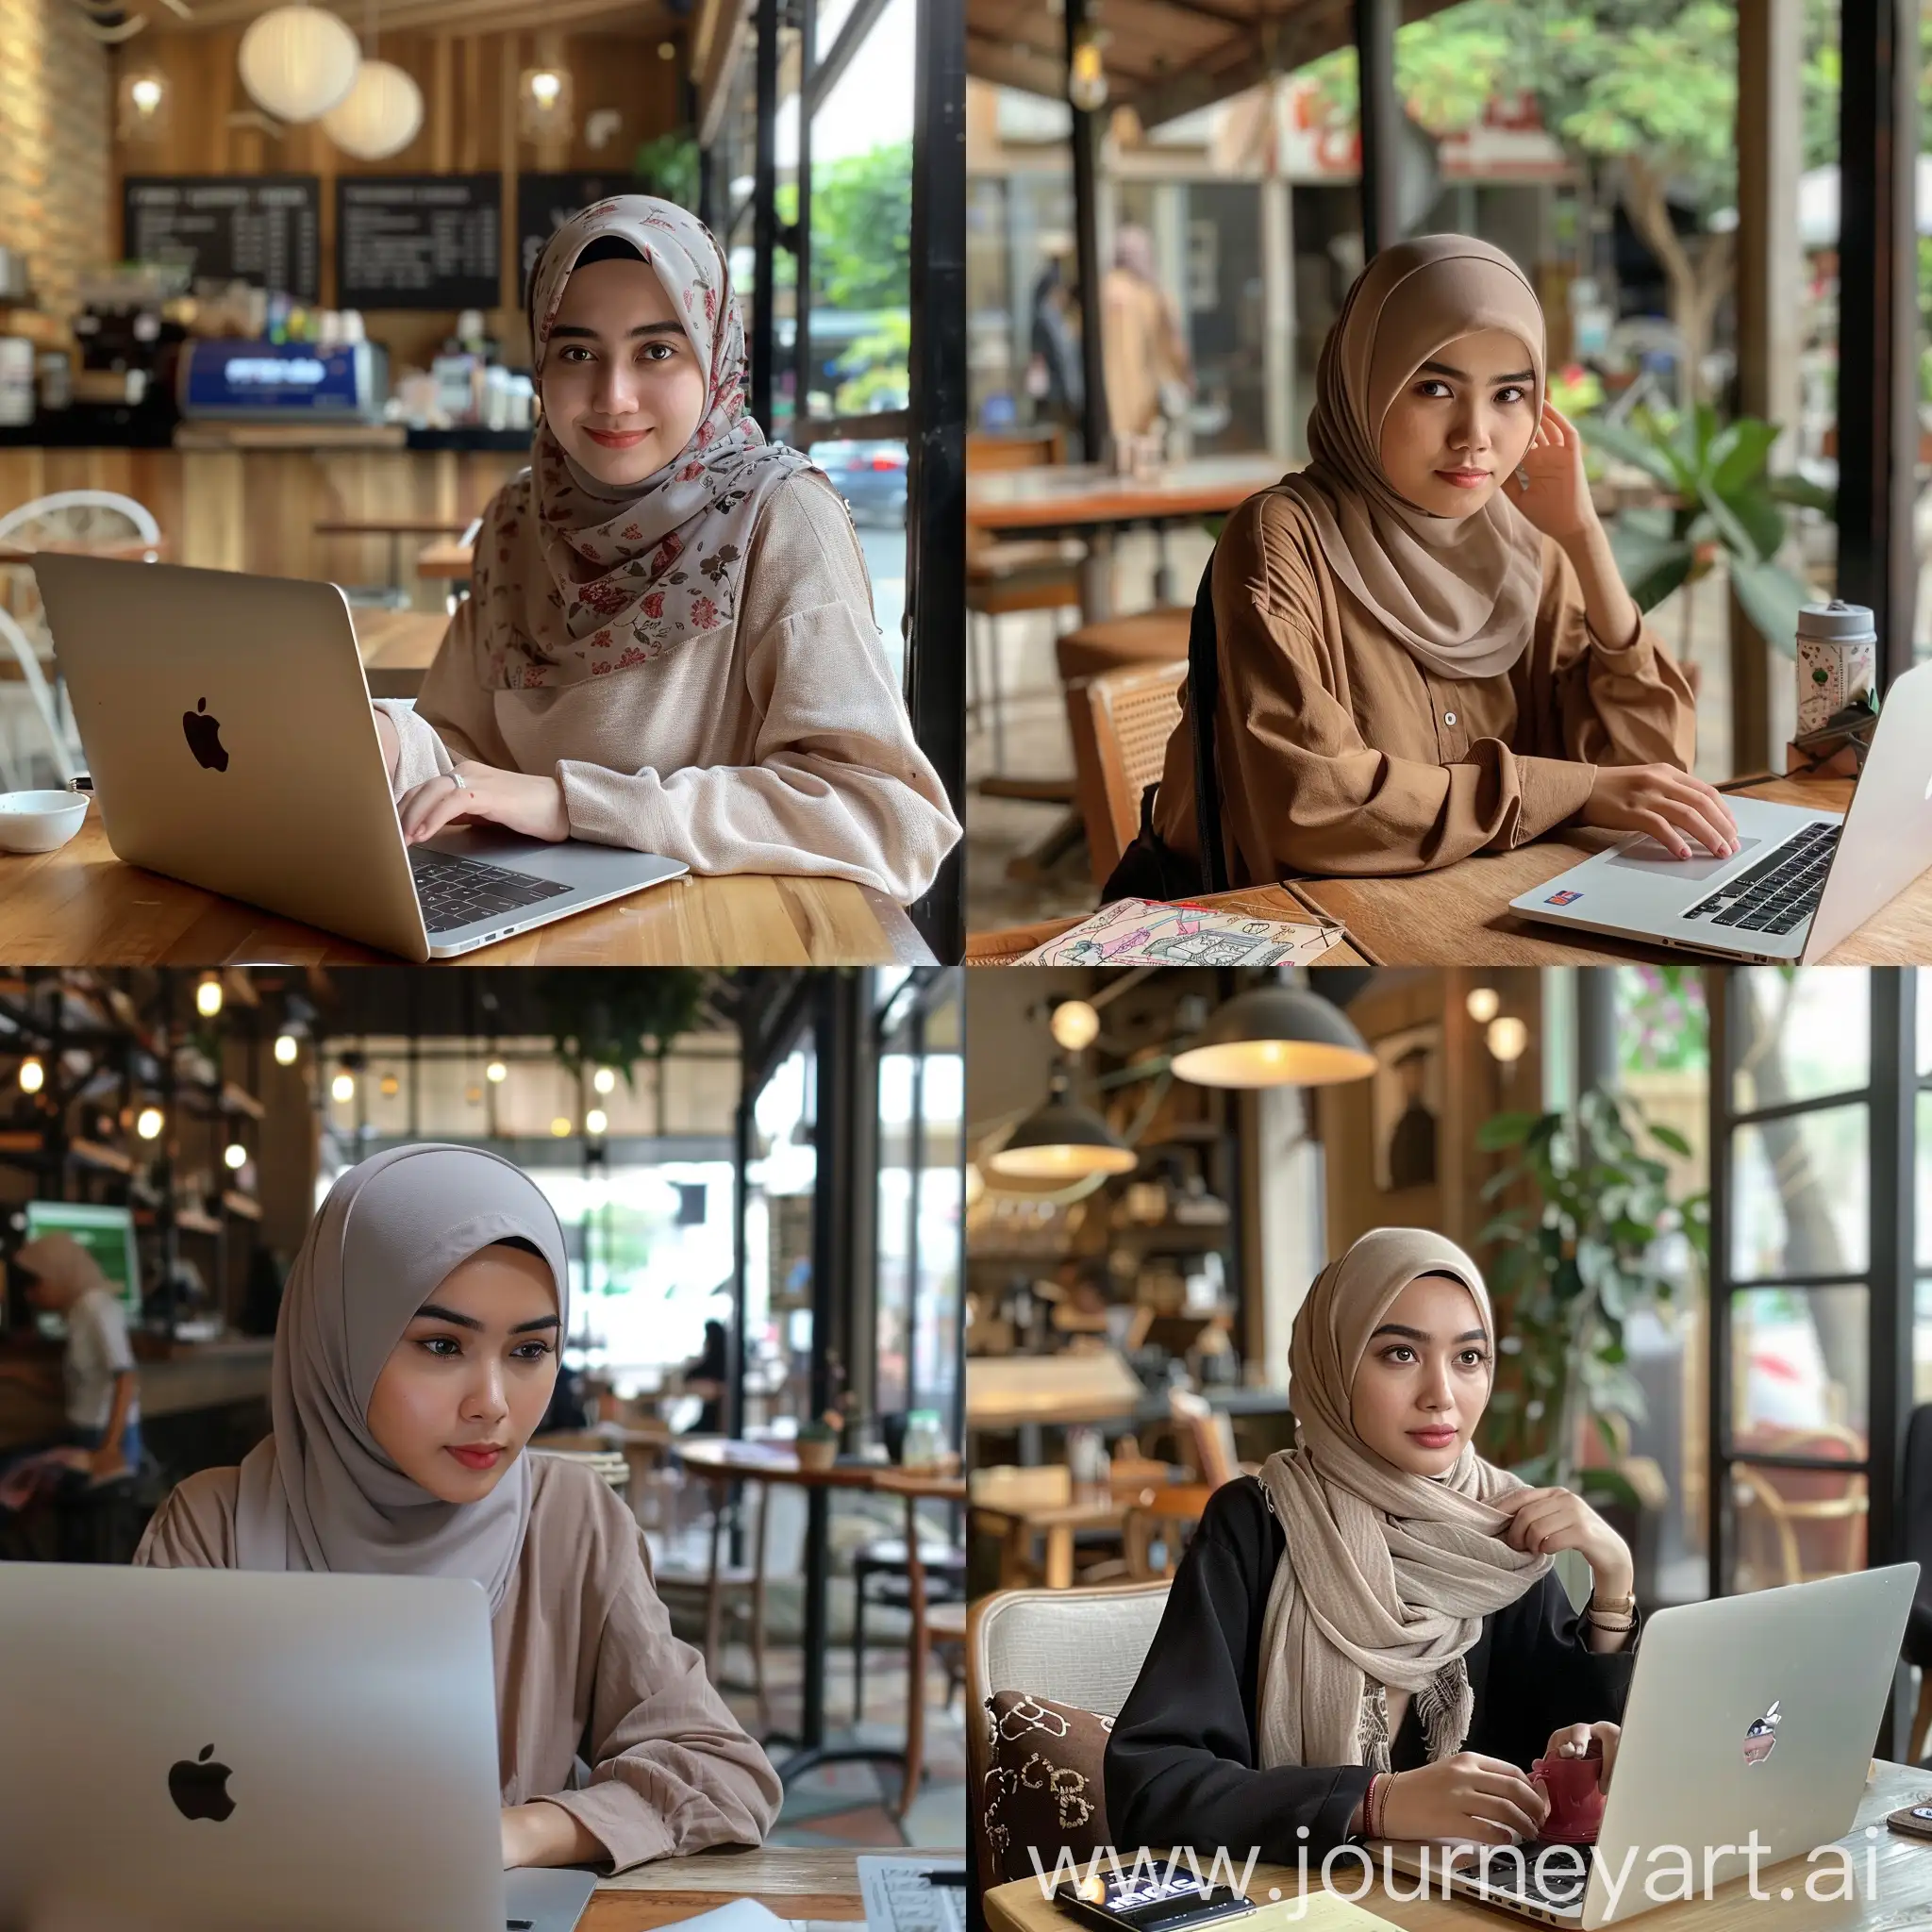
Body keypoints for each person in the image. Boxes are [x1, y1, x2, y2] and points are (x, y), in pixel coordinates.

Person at [135, 1143, 781, 1874]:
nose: (493, 1406)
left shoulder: (570, 1520)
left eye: (530, 1350)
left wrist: (521, 1833)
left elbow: (724, 1774)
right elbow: (120, 1795)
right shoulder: (212, 1525)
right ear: (339, 1338)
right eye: (442, 1345)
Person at [371, 196, 959, 906]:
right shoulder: (516, 522)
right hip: (525, 922)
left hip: (716, 931)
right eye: (577, 353)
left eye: (657, 350)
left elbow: (887, 819)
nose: (613, 397)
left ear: (715, 356)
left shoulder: (780, 517)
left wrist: (572, 805)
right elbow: (461, 752)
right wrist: (392, 739)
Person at [1139, 234, 1729, 891]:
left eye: (1508, 394)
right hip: (1316, 942)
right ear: (1364, 384)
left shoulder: (1529, 551)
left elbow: (1653, 774)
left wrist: (1584, 536)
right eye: (1434, 387)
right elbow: (1315, 805)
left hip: (1482, 920)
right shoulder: (1284, 541)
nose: (1475, 434)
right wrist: (1565, 791)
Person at [1106, 1227, 1639, 1862]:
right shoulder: (1257, 1524)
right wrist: (1372, 1802)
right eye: (1400, 1355)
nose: (1442, 1393)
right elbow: (1154, 1790)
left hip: (1471, 1906)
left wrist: (1614, 1583)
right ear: (1333, 1363)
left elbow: (1554, 1741)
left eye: (1468, 1357)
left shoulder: (1493, 1526)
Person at [7, 1233, 142, 1481]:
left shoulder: (96, 1308)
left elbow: (126, 1377)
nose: (29, 1295)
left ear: (60, 1276)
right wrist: (16, 1375)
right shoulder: (76, 1312)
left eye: (35, 1284)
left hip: (104, 1437)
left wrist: (109, 1450)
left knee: (14, 1472)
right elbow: (79, 1389)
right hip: (85, 1433)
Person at [1100, 225, 1191, 449]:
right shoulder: (1152, 292)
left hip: (1119, 403)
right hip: (1143, 398)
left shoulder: (1106, 289)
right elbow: (1175, 344)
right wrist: (1183, 375)